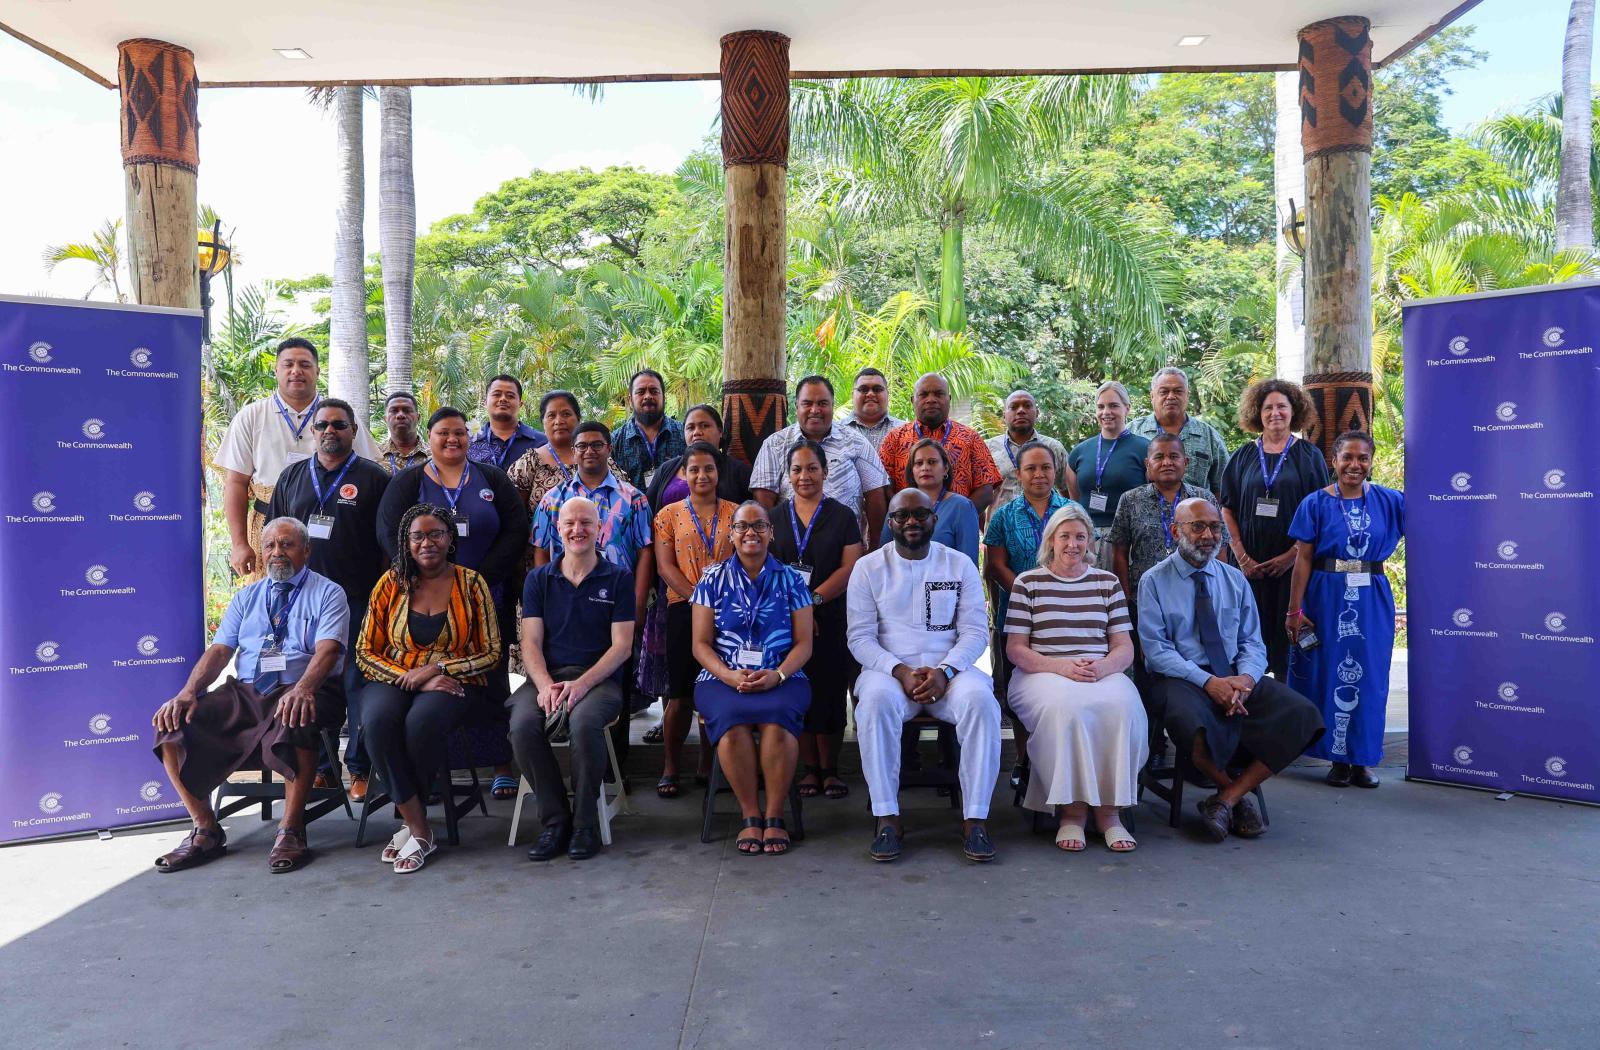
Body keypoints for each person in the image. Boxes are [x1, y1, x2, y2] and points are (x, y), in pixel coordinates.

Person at [149, 517, 349, 874]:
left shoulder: (328, 592)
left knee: (296, 716)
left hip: (305, 687)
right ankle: (204, 829)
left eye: (286, 545)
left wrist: (303, 688)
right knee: (172, 725)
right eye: (270, 546)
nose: (277, 553)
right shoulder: (247, 596)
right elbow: (220, 652)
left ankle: (291, 830)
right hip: (248, 690)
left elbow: (328, 651)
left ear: (306, 550)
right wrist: (187, 692)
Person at [1138, 498, 1324, 842]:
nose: (1208, 535)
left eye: (1215, 527)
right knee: (1186, 719)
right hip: (1182, 677)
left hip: (1237, 676)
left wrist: (1247, 681)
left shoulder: (1235, 580)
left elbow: (1253, 643)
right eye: (1198, 526)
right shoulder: (1154, 581)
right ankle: (1233, 796)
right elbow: (1157, 652)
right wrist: (1209, 682)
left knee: (1303, 715)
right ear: (1175, 530)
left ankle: (1225, 799)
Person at [377, 407, 528, 800]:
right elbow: (389, 531)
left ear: (469, 437)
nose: (452, 440)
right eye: (443, 433)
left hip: (484, 591)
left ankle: (500, 765)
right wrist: (422, 576)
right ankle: (435, 763)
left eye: (460, 433)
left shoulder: (490, 477)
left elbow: (515, 528)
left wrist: (478, 578)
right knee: (429, 668)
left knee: (490, 675)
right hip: (423, 594)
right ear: (429, 438)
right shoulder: (409, 481)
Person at [848, 489, 1001, 864]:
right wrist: (898, 671)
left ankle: (975, 818)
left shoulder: (959, 564)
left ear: (935, 519)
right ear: (890, 522)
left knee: (982, 702)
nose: (911, 522)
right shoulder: (868, 567)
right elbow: (860, 637)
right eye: (902, 516)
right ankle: (887, 817)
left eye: (920, 514)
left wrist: (946, 670)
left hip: (951, 671)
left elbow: (975, 632)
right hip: (889, 671)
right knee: (875, 703)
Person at [357, 506, 502, 873]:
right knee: (376, 722)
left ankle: (413, 828)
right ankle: (418, 826)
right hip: (395, 675)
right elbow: (364, 649)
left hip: (453, 680)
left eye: (436, 534)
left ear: (450, 538)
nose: (427, 543)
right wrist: (410, 675)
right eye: (417, 536)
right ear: (406, 543)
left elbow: (492, 652)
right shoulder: (390, 582)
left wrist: (436, 668)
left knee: (421, 723)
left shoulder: (472, 583)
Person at [266, 398, 390, 800]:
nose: (330, 431)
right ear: (313, 431)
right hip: (302, 603)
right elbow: (274, 539)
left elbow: (388, 545)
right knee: (305, 678)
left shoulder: (375, 478)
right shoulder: (292, 477)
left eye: (339, 425)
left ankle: (360, 768)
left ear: (354, 430)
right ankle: (320, 766)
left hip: (358, 599)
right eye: (322, 426)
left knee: (356, 681)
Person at [1005, 503, 1146, 852]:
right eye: (1065, 536)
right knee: (1067, 708)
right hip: (1040, 671)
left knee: (1123, 707)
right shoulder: (1028, 582)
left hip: (1099, 669)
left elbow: (1124, 648)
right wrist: (1060, 667)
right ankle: (1072, 813)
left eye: (1080, 537)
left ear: (1090, 542)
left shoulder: (1107, 582)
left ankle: (1110, 812)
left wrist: (1102, 668)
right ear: (1051, 539)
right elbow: (1016, 650)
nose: (1073, 544)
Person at [509, 498, 637, 861]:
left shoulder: (618, 578)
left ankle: (584, 824)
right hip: (546, 679)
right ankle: (555, 822)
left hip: (598, 681)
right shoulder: (538, 579)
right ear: (557, 528)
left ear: (600, 529)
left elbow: (622, 647)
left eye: (586, 523)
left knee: (583, 723)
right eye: (569, 523)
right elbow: (530, 642)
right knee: (522, 726)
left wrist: (581, 685)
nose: (577, 530)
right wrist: (547, 685)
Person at [690, 502, 815, 856]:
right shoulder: (711, 578)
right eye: (742, 526)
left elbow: (804, 643)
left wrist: (777, 675)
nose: (751, 533)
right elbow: (700, 646)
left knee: (777, 723)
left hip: (784, 675)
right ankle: (750, 814)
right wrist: (729, 676)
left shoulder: (791, 579)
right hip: (720, 677)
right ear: (731, 534)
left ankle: (775, 814)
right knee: (732, 724)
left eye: (759, 526)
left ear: (771, 532)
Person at [531, 420, 656, 767]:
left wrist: (639, 599)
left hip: (617, 603)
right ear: (573, 452)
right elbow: (541, 548)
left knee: (617, 681)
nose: (589, 451)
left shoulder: (634, 498)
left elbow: (646, 550)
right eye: (582, 445)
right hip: (564, 604)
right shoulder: (553, 500)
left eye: (596, 444)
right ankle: (577, 762)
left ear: (609, 449)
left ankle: (617, 766)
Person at [1286, 431, 1404, 789]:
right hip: (1326, 594)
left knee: (1369, 678)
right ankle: (1336, 758)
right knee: (1328, 675)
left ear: (1370, 462)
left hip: (1371, 596)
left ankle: (1363, 760)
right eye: (1347, 457)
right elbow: (1303, 559)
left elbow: (1432, 526)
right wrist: (1294, 610)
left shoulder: (1391, 501)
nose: (1355, 465)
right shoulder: (1315, 504)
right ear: (1333, 461)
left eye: (1362, 458)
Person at [215, 337, 379, 580]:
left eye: (304, 364)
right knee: (275, 603)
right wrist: (239, 544)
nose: (296, 371)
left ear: (317, 371)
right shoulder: (251, 416)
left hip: (335, 527)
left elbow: (370, 472)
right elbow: (236, 483)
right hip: (269, 526)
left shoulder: (339, 415)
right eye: (288, 364)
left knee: (330, 601)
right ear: (276, 370)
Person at [769, 439, 865, 800]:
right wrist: (797, 610)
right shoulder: (775, 518)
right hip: (783, 617)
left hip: (833, 612)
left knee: (829, 688)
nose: (804, 476)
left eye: (812, 468)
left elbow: (851, 566)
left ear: (825, 472)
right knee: (798, 688)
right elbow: (768, 568)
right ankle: (808, 769)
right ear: (787, 475)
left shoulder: (842, 516)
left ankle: (830, 769)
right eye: (797, 469)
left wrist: (813, 601)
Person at [1219, 379, 1330, 680]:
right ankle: (1249, 706)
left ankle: (1289, 707)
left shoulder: (1309, 455)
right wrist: (1241, 557)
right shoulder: (1242, 455)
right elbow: (1226, 507)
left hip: (1293, 569)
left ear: (1295, 411)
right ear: (1258, 413)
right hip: (1249, 570)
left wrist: (1290, 557)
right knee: (1248, 639)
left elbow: (1321, 511)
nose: (1275, 413)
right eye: (1268, 407)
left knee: (1288, 643)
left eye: (1282, 406)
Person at [982, 440, 1070, 788]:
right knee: (1017, 690)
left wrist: (1051, 594)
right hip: (1016, 616)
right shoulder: (1004, 515)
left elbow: (1084, 557)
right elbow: (994, 565)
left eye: (1045, 467)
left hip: (1063, 615)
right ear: (1018, 474)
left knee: (1058, 685)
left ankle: (1059, 759)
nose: (1039, 474)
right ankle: (1024, 760)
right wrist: (1027, 593)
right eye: (1030, 468)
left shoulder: (1071, 511)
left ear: (1055, 471)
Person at [652, 443, 737, 798]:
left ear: (719, 473)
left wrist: (718, 603)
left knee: (715, 689)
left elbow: (746, 560)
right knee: (681, 694)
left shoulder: (737, 513)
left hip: (730, 611)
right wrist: (698, 599)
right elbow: (665, 567)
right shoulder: (668, 515)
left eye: (709, 469)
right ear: (684, 474)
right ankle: (671, 766)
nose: (702, 476)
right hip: (683, 609)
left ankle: (708, 763)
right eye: (694, 470)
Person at [750, 375, 889, 548]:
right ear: (796, 406)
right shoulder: (775, 444)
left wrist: (875, 548)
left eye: (822, 403)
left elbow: (875, 493)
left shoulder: (856, 442)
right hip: (789, 549)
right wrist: (771, 547)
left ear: (832, 406)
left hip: (846, 548)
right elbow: (764, 498)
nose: (815, 410)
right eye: (807, 403)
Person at [1109, 433, 1231, 606]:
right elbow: (1119, 554)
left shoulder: (1204, 498)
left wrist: (1220, 591)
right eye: (1159, 457)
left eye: (1174, 456)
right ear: (1147, 464)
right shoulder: (1130, 500)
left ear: (1186, 462)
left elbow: (1220, 548)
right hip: (1145, 599)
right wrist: (1125, 600)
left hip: (1197, 594)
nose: (1167, 462)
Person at [878, 373, 1002, 516]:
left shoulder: (970, 438)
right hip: (908, 529)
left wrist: (957, 519)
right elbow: (883, 487)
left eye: (938, 394)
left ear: (949, 399)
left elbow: (985, 490)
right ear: (913, 401)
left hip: (957, 530)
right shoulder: (894, 439)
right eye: (923, 395)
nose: (931, 400)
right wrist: (906, 518)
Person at [1065, 380, 1149, 567]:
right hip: (1087, 538)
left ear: (1127, 408)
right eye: (1100, 406)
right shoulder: (1080, 451)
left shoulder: (1145, 448)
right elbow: (1074, 497)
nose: (1106, 412)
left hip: (1129, 538)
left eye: (1113, 406)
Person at [878, 437, 980, 565]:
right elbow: (883, 556)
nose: (925, 468)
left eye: (932, 462)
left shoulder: (962, 507)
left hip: (945, 582)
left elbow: (968, 563)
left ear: (946, 468)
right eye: (919, 463)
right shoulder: (898, 504)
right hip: (900, 582)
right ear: (912, 470)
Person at [1127, 367, 1228, 494]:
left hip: (1197, 512)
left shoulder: (1208, 436)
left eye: (1178, 391)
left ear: (1187, 395)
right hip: (1143, 512)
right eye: (1164, 392)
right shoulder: (1133, 431)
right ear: (1152, 396)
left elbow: (1223, 487)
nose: (1171, 396)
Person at [645, 403, 752, 509]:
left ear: (720, 431)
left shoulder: (739, 471)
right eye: (690, 428)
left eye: (705, 426)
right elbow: (647, 510)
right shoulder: (666, 469)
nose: (697, 432)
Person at [986, 389, 1070, 507]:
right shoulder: (987, 449)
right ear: (1004, 414)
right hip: (1000, 524)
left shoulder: (1053, 448)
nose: (1021, 411)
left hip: (1043, 524)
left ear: (1037, 413)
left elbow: (1067, 491)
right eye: (1014, 407)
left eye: (1027, 406)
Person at [611, 368, 687, 491]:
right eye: (641, 392)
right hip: (632, 509)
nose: (648, 396)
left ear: (664, 397)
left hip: (679, 509)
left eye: (654, 391)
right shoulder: (614, 442)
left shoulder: (684, 434)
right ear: (630, 400)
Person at [468, 374, 546, 471]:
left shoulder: (541, 442)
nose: (503, 399)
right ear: (485, 402)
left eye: (510, 396)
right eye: (497, 394)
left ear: (520, 404)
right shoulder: (468, 442)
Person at [841, 366, 904, 451]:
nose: (870, 394)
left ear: (887, 394)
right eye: (863, 389)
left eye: (877, 389)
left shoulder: (905, 431)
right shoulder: (835, 431)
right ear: (853, 395)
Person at [377, 391, 430, 476]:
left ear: (418, 418)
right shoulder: (374, 455)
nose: (400, 415)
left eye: (407, 410)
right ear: (385, 419)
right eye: (394, 411)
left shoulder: (434, 456)